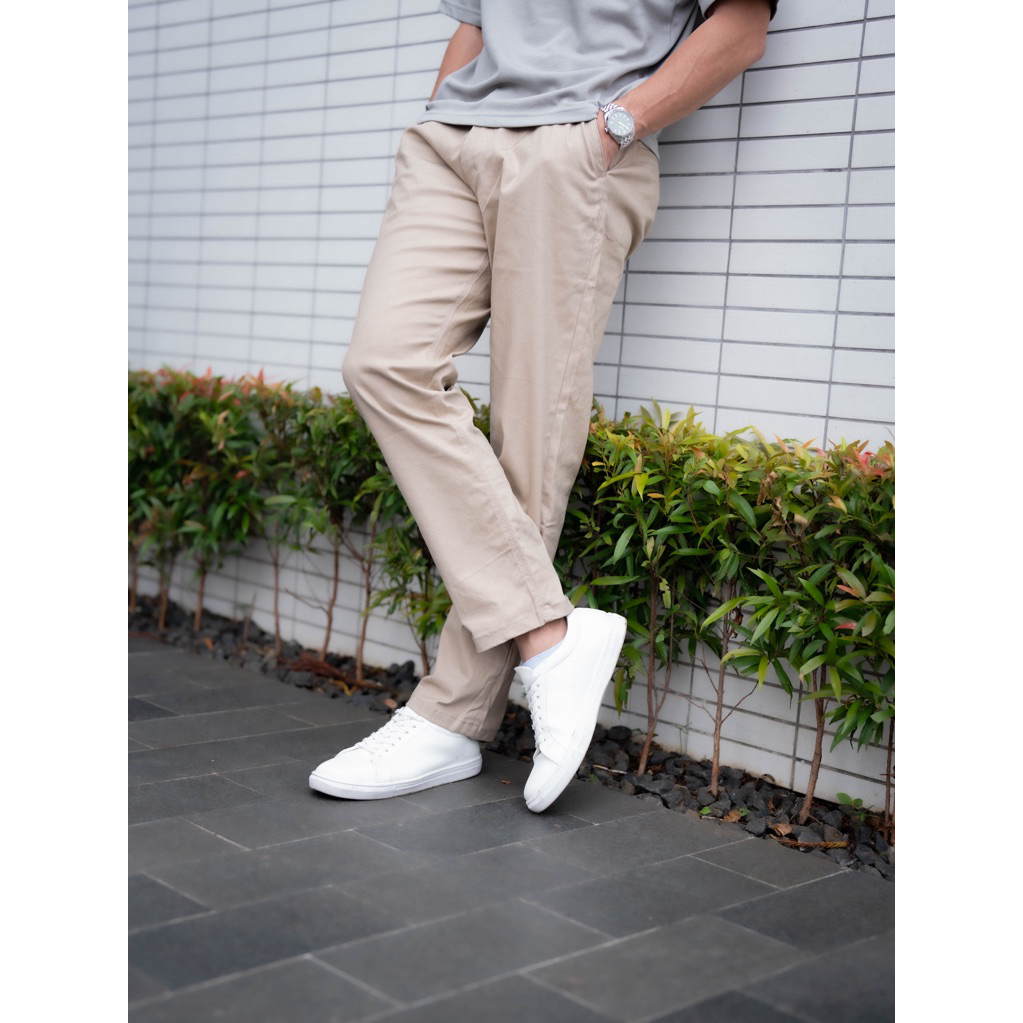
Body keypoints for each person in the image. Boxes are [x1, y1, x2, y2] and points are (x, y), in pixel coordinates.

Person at [309, 0, 776, 813]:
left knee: (531, 431)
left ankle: (449, 718)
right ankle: (548, 636)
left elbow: (740, 24)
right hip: (452, 141)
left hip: (575, 145)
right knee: (385, 364)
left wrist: (613, 128)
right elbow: (476, 19)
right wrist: (444, 110)